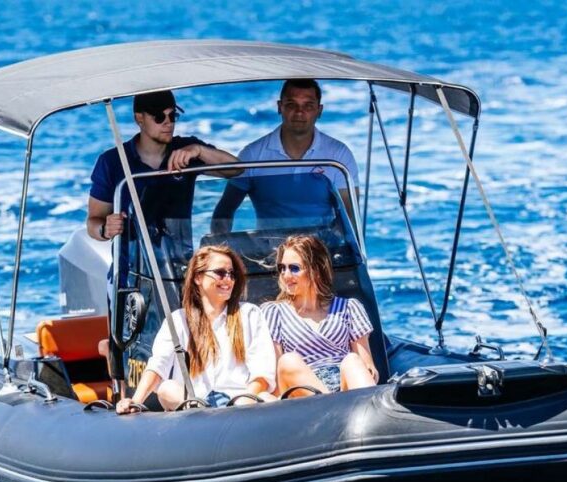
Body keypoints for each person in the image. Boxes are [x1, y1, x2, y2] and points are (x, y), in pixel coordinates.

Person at [115, 245, 277, 413]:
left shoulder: (250, 314)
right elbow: (158, 366)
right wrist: (135, 401)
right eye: (220, 273)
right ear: (198, 277)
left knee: (266, 398)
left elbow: (262, 373)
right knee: (166, 389)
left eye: (232, 274)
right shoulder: (177, 320)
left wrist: (245, 401)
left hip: (239, 405)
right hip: (193, 405)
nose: (228, 279)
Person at [86, 89, 240, 243]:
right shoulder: (111, 161)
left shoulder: (187, 150)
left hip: (179, 257)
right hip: (131, 257)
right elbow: (93, 221)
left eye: (172, 116)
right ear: (139, 118)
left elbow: (236, 169)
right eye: (159, 117)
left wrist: (199, 150)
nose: (168, 123)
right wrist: (105, 229)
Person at [212, 79, 359, 231]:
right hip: (268, 245)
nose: (299, 112)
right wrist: (220, 244)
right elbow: (224, 211)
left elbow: (350, 217)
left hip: (322, 245)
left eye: (308, 106)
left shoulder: (339, 155)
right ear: (279, 107)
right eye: (291, 105)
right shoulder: (252, 155)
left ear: (319, 110)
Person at [261, 235, 378, 397]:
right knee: (288, 361)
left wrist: (367, 372)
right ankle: (332, 405)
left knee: (352, 360)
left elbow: (368, 366)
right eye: (282, 268)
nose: (286, 275)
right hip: (303, 394)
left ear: (315, 270)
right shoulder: (273, 313)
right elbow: (276, 376)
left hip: (345, 390)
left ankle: (361, 405)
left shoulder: (349, 308)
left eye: (294, 268)